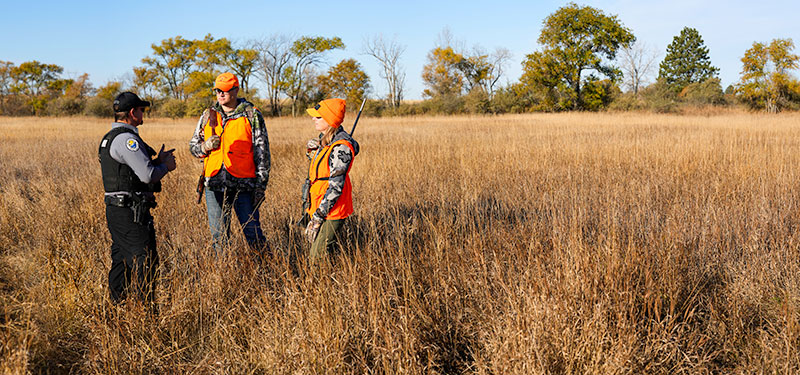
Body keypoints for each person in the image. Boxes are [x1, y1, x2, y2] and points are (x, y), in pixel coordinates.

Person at [99, 92, 176, 304]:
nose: (143, 114)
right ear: (132, 113)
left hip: (118, 210)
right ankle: (146, 314)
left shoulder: (110, 138)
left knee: (122, 261)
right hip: (129, 212)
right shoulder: (127, 140)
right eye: (141, 110)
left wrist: (157, 160)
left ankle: (118, 308)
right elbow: (147, 175)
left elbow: (130, 173)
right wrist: (165, 167)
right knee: (146, 261)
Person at [190, 72, 270, 253]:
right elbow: (193, 146)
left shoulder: (252, 115)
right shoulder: (208, 115)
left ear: (236, 90)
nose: (221, 94)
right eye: (218, 90)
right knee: (219, 237)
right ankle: (223, 274)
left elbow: (262, 153)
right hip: (214, 184)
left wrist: (260, 187)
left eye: (225, 90)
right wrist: (204, 147)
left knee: (253, 233)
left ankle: (267, 271)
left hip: (244, 185)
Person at [303, 98, 360, 260]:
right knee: (325, 252)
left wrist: (318, 217)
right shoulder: (326, 143)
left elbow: (335, 187)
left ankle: (320, 284)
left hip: (332, 210)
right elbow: (322, 173)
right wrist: (313, 154)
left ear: (330, 120)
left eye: (318, 117)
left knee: (316, 256)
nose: (314, 119)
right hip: (320, 205)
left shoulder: (341, 147)